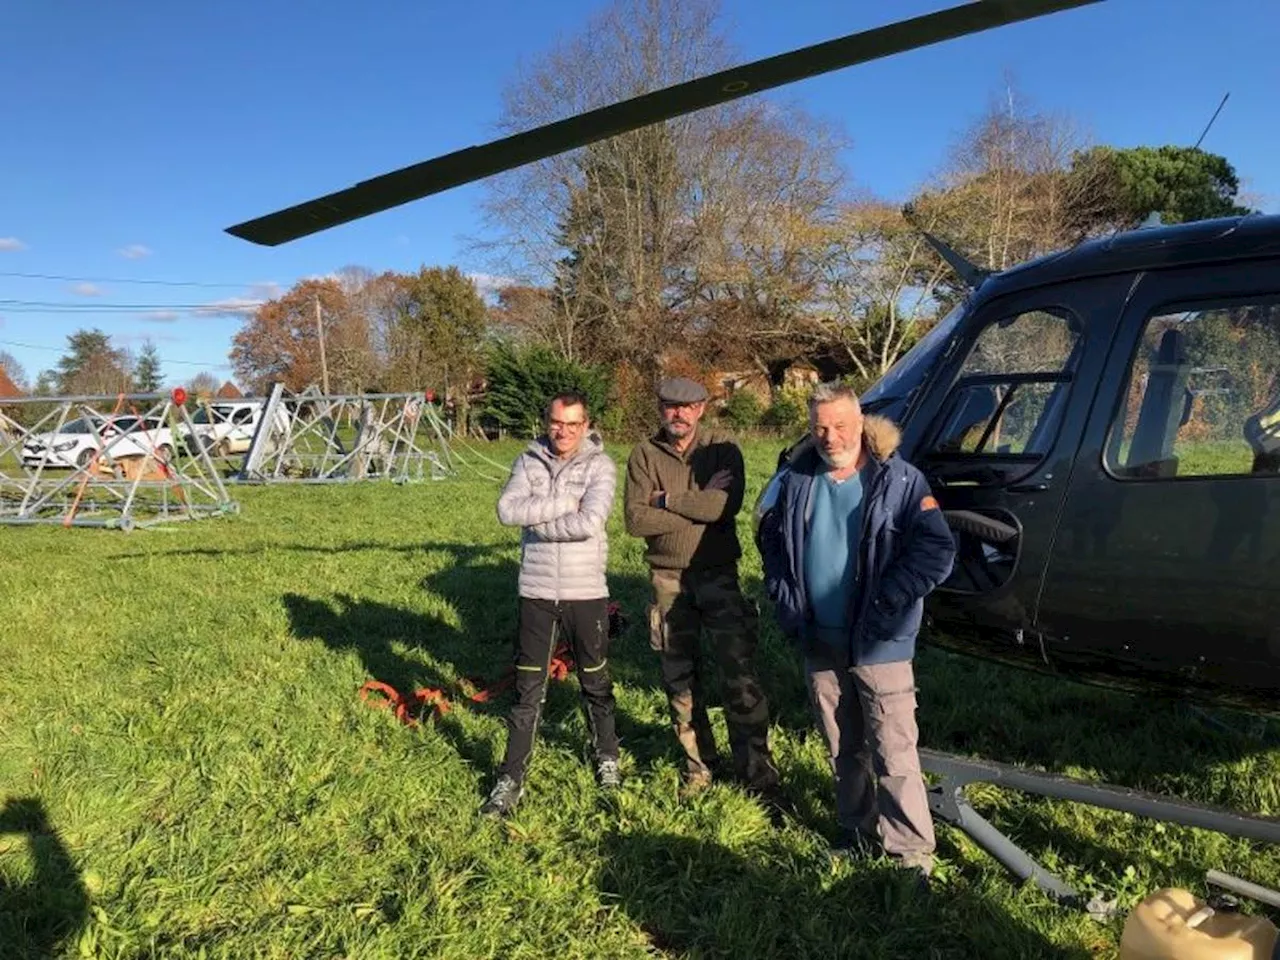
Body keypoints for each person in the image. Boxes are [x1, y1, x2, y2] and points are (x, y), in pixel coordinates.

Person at [757, 381, 956, 876]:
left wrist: (889, 599)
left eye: (840, 425)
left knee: (893, 745)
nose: (830, 436)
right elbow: (771, 541)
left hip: (880, 637)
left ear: (860, 423)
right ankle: (857, 829)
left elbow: (937, 550)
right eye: (820, 427)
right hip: (819, 635)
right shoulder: (797, 478)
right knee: (842, 744)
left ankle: (910, 851)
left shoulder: (901, 480)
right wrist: (786, 599)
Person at [623, 376, 782, 806]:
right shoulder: (643, 454)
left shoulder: (723, 450)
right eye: (670, 406)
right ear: (660, 408)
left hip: (719, 575)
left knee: (740, 675)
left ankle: (757, 773)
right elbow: (635, 522)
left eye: (687, 406)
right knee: (679, 679)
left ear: (701, 409)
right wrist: (696, 506)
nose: (679, 413)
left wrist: (664, 500)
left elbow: (721, 506)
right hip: (667, 580)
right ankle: (699, 767)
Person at [482, 391, 620, 817]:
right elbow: (507, 511)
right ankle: (511, 777)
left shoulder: (601, 466)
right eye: (557, 423)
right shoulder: (528, 461)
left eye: (573, 424)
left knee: (594, 682)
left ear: (587, 424)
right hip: (537, 592)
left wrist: (536, 519)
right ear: (547, 421)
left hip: (585, 593)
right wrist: (563, 504)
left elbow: (589, 523)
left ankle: (607, 756)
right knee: (528, 690)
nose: (563, 432)